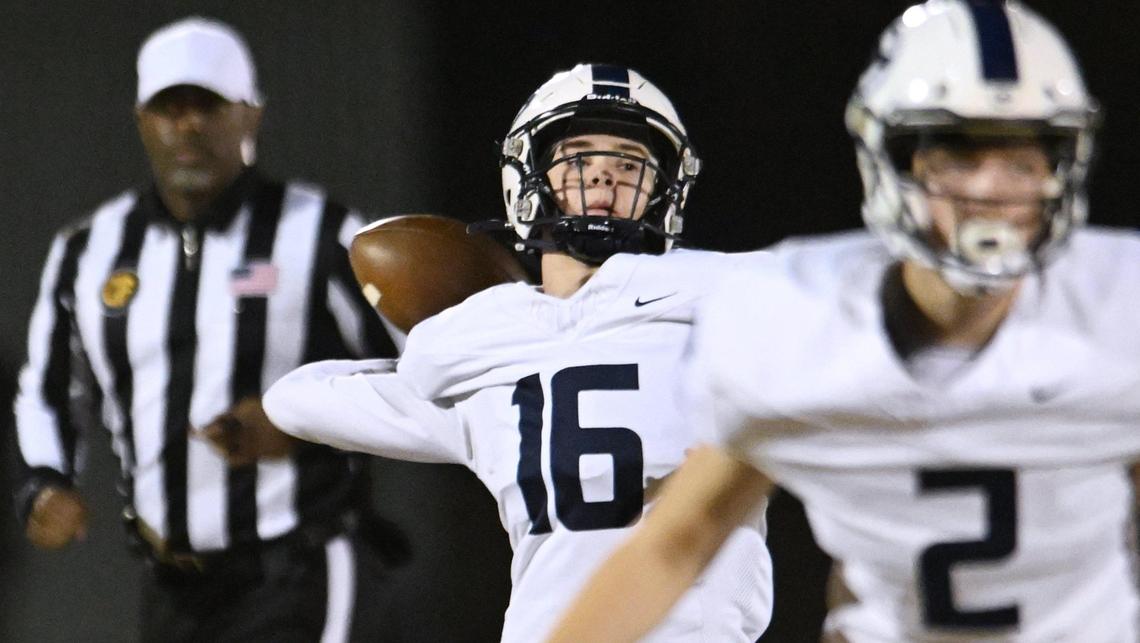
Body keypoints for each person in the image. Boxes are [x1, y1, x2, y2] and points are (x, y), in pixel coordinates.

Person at [547, 2, 1140, 642]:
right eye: (959, 156)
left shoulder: (1120, 306)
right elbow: (677, 542)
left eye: (1025, 160)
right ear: (894, 161)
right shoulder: (797, 321)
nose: (994, 187)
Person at [260, 63, 774, 641]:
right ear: (525, 179)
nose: (604, 177)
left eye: (630, 164)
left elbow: (296, 398)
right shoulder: (486, 361)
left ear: (662, 191)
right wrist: (481, 328)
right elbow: (291, 401)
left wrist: (473, 330)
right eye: (578, 156)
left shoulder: (721, 316)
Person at [13, 16, 405, 642]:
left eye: (210, 105)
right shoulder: (87, 250)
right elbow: (52, 388)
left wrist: (302, 418)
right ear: (143, 120)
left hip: (295, 569)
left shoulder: (323, 231)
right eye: (171, 107)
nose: (190, 124)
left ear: (250, 115)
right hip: (170, 584)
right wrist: (46, 481)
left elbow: (419, 367)